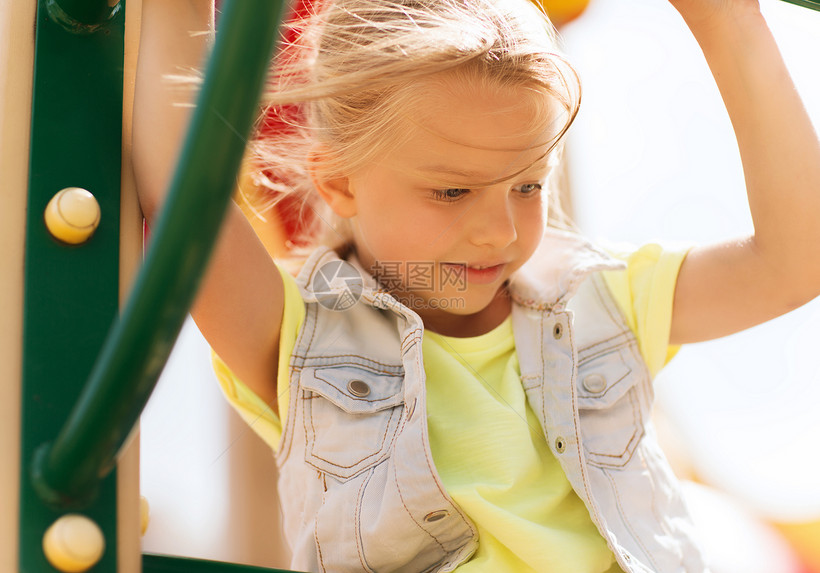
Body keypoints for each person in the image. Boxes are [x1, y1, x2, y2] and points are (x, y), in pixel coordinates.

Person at [132, 0, 820, 571]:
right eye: (452, 190)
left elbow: (794, 262)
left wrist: (729, 24)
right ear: (339, 179)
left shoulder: (598, 301)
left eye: (528, 184)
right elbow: (187, 204)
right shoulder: (306, 337)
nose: (498, 230)